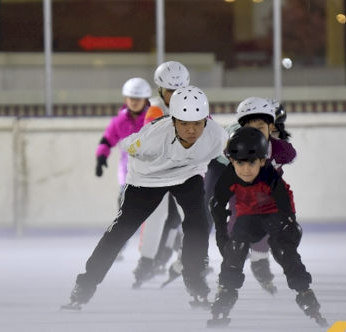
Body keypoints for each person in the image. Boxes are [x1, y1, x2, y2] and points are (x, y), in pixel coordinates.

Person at [61, 86, 229, 310]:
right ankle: (86, 284)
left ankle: (195, 280)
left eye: (197, 123)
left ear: (206, 122)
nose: (191, 131)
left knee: (198, 223)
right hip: (148, 178)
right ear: (172, 120)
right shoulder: (154, 137)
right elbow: (126, 145)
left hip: (188, 174)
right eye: (184, 123)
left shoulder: (218, 137)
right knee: (121, 229)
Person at [208, 127, 327, 328]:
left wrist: (290, 222)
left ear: (263, 161)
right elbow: (217, 203)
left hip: (273, 212)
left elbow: (284, 201)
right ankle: (227, 290)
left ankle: (303, 290)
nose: (246, 170)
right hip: (248, 216)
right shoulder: (228, 176)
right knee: (235, 249)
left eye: (252, 163)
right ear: (231, 161)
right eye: (239, 163)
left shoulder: (270, 176)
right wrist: (221, 231)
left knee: (282, 249)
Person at [216, 97, 296, 295]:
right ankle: (228, 274)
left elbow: (289, 154)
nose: (258, 133)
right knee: (236, 233)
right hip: (242, 195)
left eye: (264, 128)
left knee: (270, 227)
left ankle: (259, 262)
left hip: (267, 196)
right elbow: (223, 157)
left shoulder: (278, 147)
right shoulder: (238, 144)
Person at [130, 61, 192, 287]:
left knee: (191, 215)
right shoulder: (155, 109)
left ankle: (188, 257)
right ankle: (146, 262)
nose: (173, 96)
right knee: (156, 216)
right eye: (169, 91)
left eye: (178, 91)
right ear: (160, 91)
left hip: (185, 172)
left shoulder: (194, 104)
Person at [94, 77, 156, 263]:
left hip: (152, 175)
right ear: (125, 99)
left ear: (146, 100)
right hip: (128, 175)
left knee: (156, 216)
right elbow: (107, 140)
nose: (134, 101)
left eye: (137, 98)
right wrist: (101, 157)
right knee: (124, 213)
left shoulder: (153, 119)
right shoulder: (119, 122)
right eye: (130, 98)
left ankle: (156, 252)